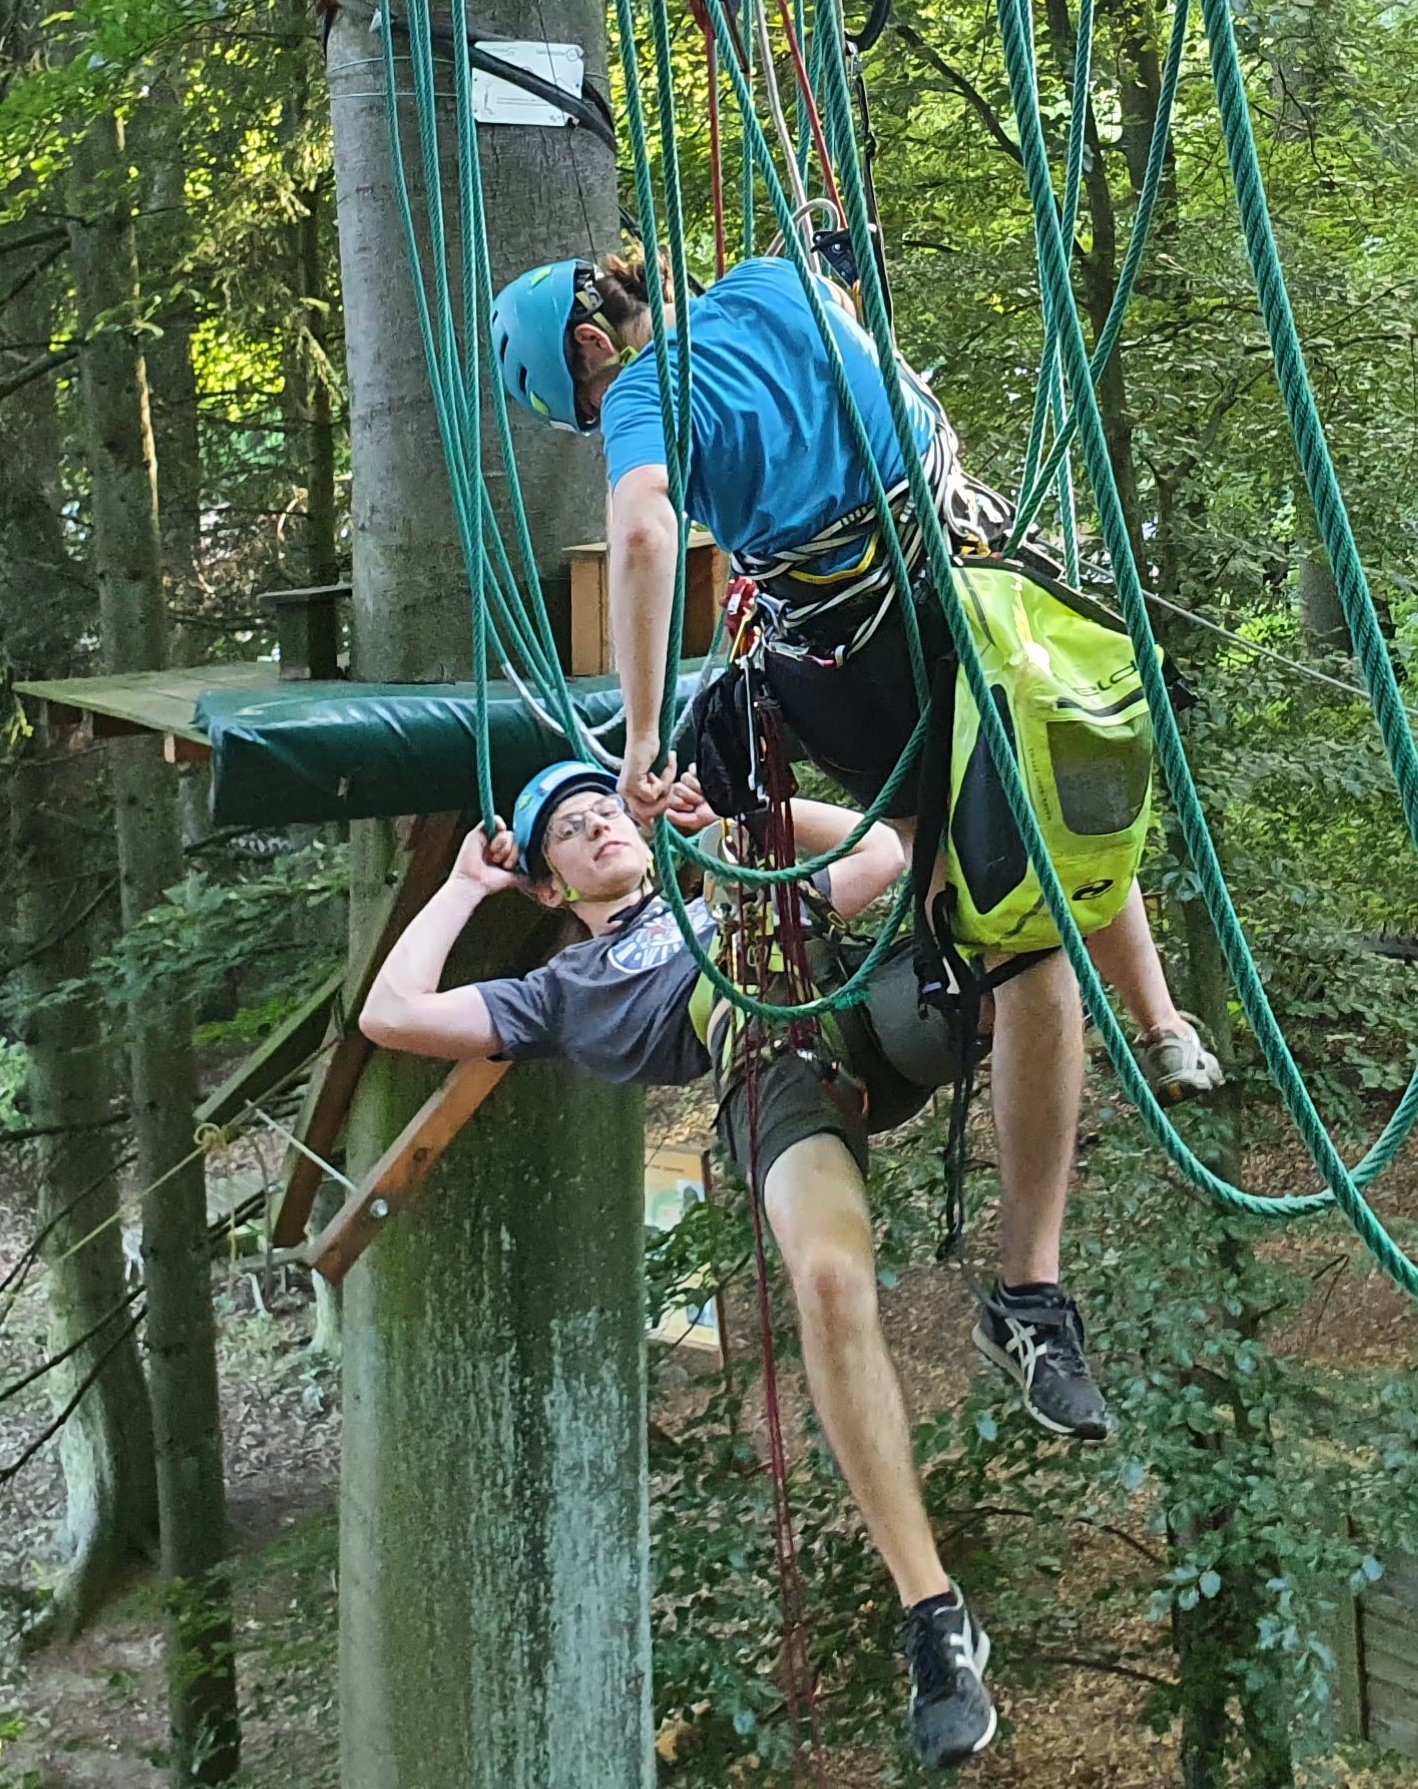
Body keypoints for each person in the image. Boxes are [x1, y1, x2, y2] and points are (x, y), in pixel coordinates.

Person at [485, 244, 1214, 1447]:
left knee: (1016, 920)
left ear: (585, 348)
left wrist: (647, 731)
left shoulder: (637, 393)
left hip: (867, 658)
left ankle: (1031, 1277)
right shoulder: (771, 282)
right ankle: (1138, 1055)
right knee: (1034, 837)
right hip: (984, 597)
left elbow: (645, 534)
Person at [356, 758, 1001, 1769]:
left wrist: (755, 816)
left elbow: (883, 848)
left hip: (851, 1000)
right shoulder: (561, 993)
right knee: (829, 1280)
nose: (599, 825)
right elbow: (392, 1015)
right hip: (769, 1064)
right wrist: (461, 886)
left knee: (1010, 920)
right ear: (548, 884)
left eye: (606, 808)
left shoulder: (727, 875)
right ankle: (933, 1615)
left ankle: (1041, 1273)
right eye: (569, 830)